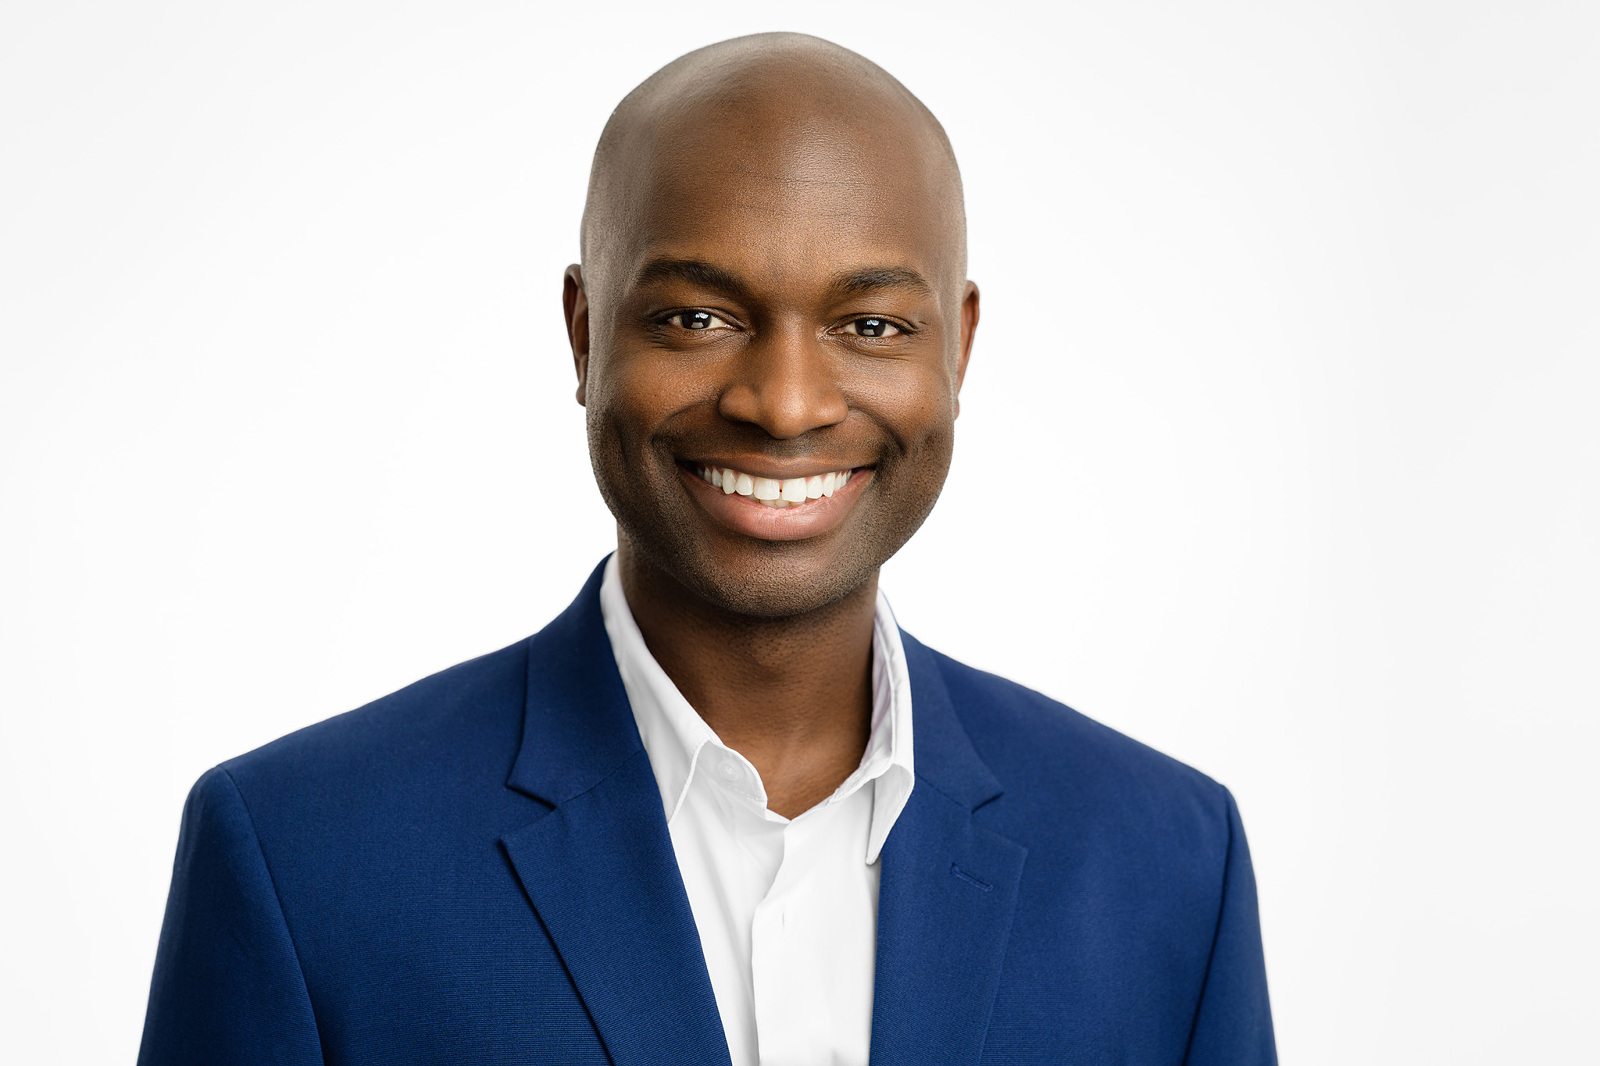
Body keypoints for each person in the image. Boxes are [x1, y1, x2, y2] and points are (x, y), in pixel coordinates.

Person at [138, 32, 1276, 1066]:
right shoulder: (301, 859)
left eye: (869, 325)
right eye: (697, 316)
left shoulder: (1168, 867)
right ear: (585, 333)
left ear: (959, 347)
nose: (783, 404)